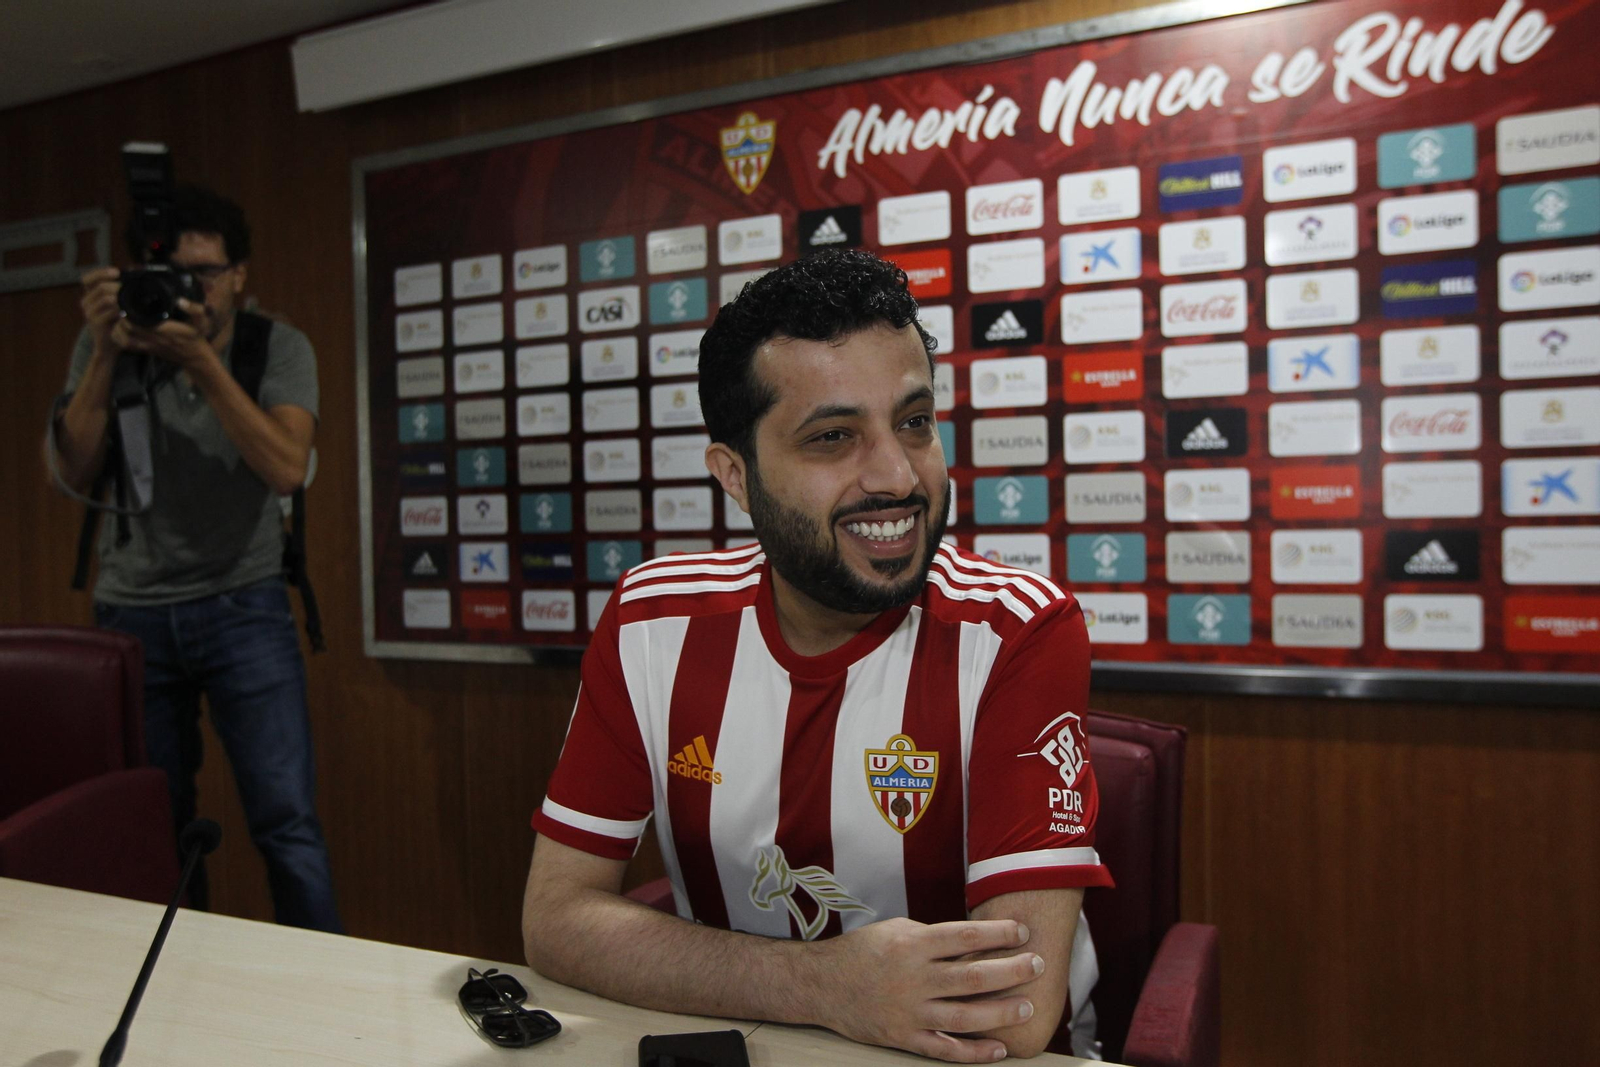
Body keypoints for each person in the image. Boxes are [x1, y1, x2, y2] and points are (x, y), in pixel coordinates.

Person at [524, 249, 1109, 1061]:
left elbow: (1013, 1010)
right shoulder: (651, 622)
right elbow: (555, 919)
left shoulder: (1018, 630)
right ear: (736, 474)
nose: (897, 475)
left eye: (914, 421)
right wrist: (823, 983)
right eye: (834, 437)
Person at [48, 184, 340, 933]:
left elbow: (285, 466)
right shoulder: (111, 344)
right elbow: (72, 469)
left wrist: (202, 363)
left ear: (239, 273)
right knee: (156, 822)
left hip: (245, 604)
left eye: (205, 276)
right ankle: (173, 980)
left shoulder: (274, 346)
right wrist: (107, 352)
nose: (189, 294)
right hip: (131, 610)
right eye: (173, 277)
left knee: (287, 822)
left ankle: (324, 995)